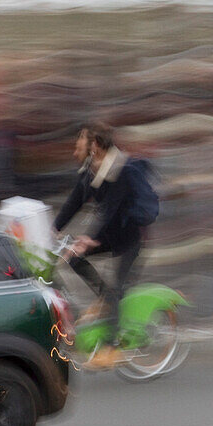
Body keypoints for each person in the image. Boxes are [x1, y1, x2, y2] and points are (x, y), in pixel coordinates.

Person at [53, 122, 146, 370]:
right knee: (72, 258)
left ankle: (110, 349)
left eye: (80, 142)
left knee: (116, 288)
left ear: (94, 145)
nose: (76, 147)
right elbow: (75, 202)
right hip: (108, 236)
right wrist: (54, 228)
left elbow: (110, 211)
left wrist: (89, 239)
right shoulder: (90, 171)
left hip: (129, 240)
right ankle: (104, 299)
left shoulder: (121, 170)